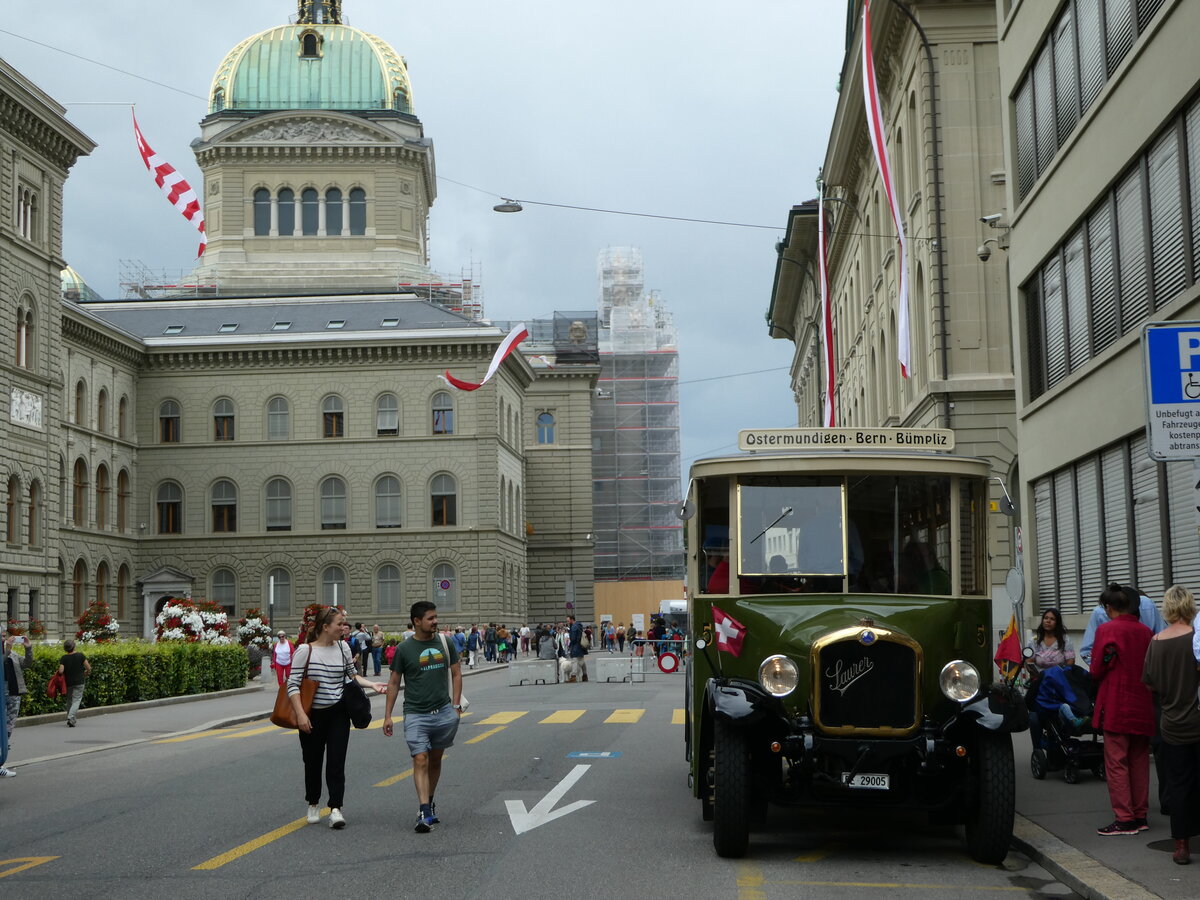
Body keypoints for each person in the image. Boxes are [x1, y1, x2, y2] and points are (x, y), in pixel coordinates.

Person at [288, 605, 387, 830]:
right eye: (340, 624)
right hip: (312, 715)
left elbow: (352, 676)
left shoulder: (343, 647)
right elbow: (292, 685)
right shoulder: (306, 650)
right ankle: (313, 802)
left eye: (344, 623)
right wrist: (301, 715)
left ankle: (335, 808)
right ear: (325, 627)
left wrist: (372, 684)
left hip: (338, 713)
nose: (344, 627)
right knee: (312, 762)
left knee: (336, 762)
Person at [383, 600, 463, 833]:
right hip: (416, 713)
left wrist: (456, 707)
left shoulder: (445, 643)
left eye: (435, 617)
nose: (435, 621)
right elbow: (394, 683)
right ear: (417, 622)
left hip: (444, 713)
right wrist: (388, 715)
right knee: (420, 759)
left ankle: (430, 799)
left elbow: (456, 674)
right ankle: (424, 810)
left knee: (435, 760)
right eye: (430, 618)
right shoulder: (404, 649)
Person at [1090, 583, 1155, 836]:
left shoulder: (1107, 630)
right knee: (1139, 760)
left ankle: (1124, 818)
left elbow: (1096, 670)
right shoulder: (1146, 632)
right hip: (1142, 702)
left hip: (1117, 703)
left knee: (1116, 761)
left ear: (1109, 607)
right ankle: (1140, 815)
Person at [1141, 585, 1200, 864]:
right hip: (1198, 720)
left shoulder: (1156, 642)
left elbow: (1150, 682)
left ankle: (1181, 846)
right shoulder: (1196, 639)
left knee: (1178, 785)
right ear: (1189, 606)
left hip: (1172, 724)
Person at [1080, 585, 1167, 664]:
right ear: (1109, 609)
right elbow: (1086, 652)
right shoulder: (1099, 615)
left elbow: (1164, 640)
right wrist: (1106, 666)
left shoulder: (1147, 605)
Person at [2, 634, 33, 776]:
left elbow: (27, 663)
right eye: (1, 636)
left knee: (9, 726)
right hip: (2, 695)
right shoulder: (7, 652)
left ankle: (2, 754)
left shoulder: (13, 653)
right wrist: (7, 650)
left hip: (14, 693)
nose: (4, 638)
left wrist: (28, 648)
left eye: (4, 636)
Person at [57, 639, 91, 727]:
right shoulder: (80, 656)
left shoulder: (64, 658)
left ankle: (72, 720)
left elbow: (61, 671)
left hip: (68, 683)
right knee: (77, 700)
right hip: (79, 681)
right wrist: (86, 673)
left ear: (65, 648)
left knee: (69, 700)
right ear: (74, 646)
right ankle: (71, 716)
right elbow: (88, 668)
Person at [567, 615, 588, 683]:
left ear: (572, 620)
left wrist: (570, 644)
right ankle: (585, 675)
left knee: (574, 660)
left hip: (575, 646)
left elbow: (573, 639)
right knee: (581, 660)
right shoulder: (579, 625)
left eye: (568, 620)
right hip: (581, 646)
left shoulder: (574, 627)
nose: (567, 622)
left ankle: (573, 676)